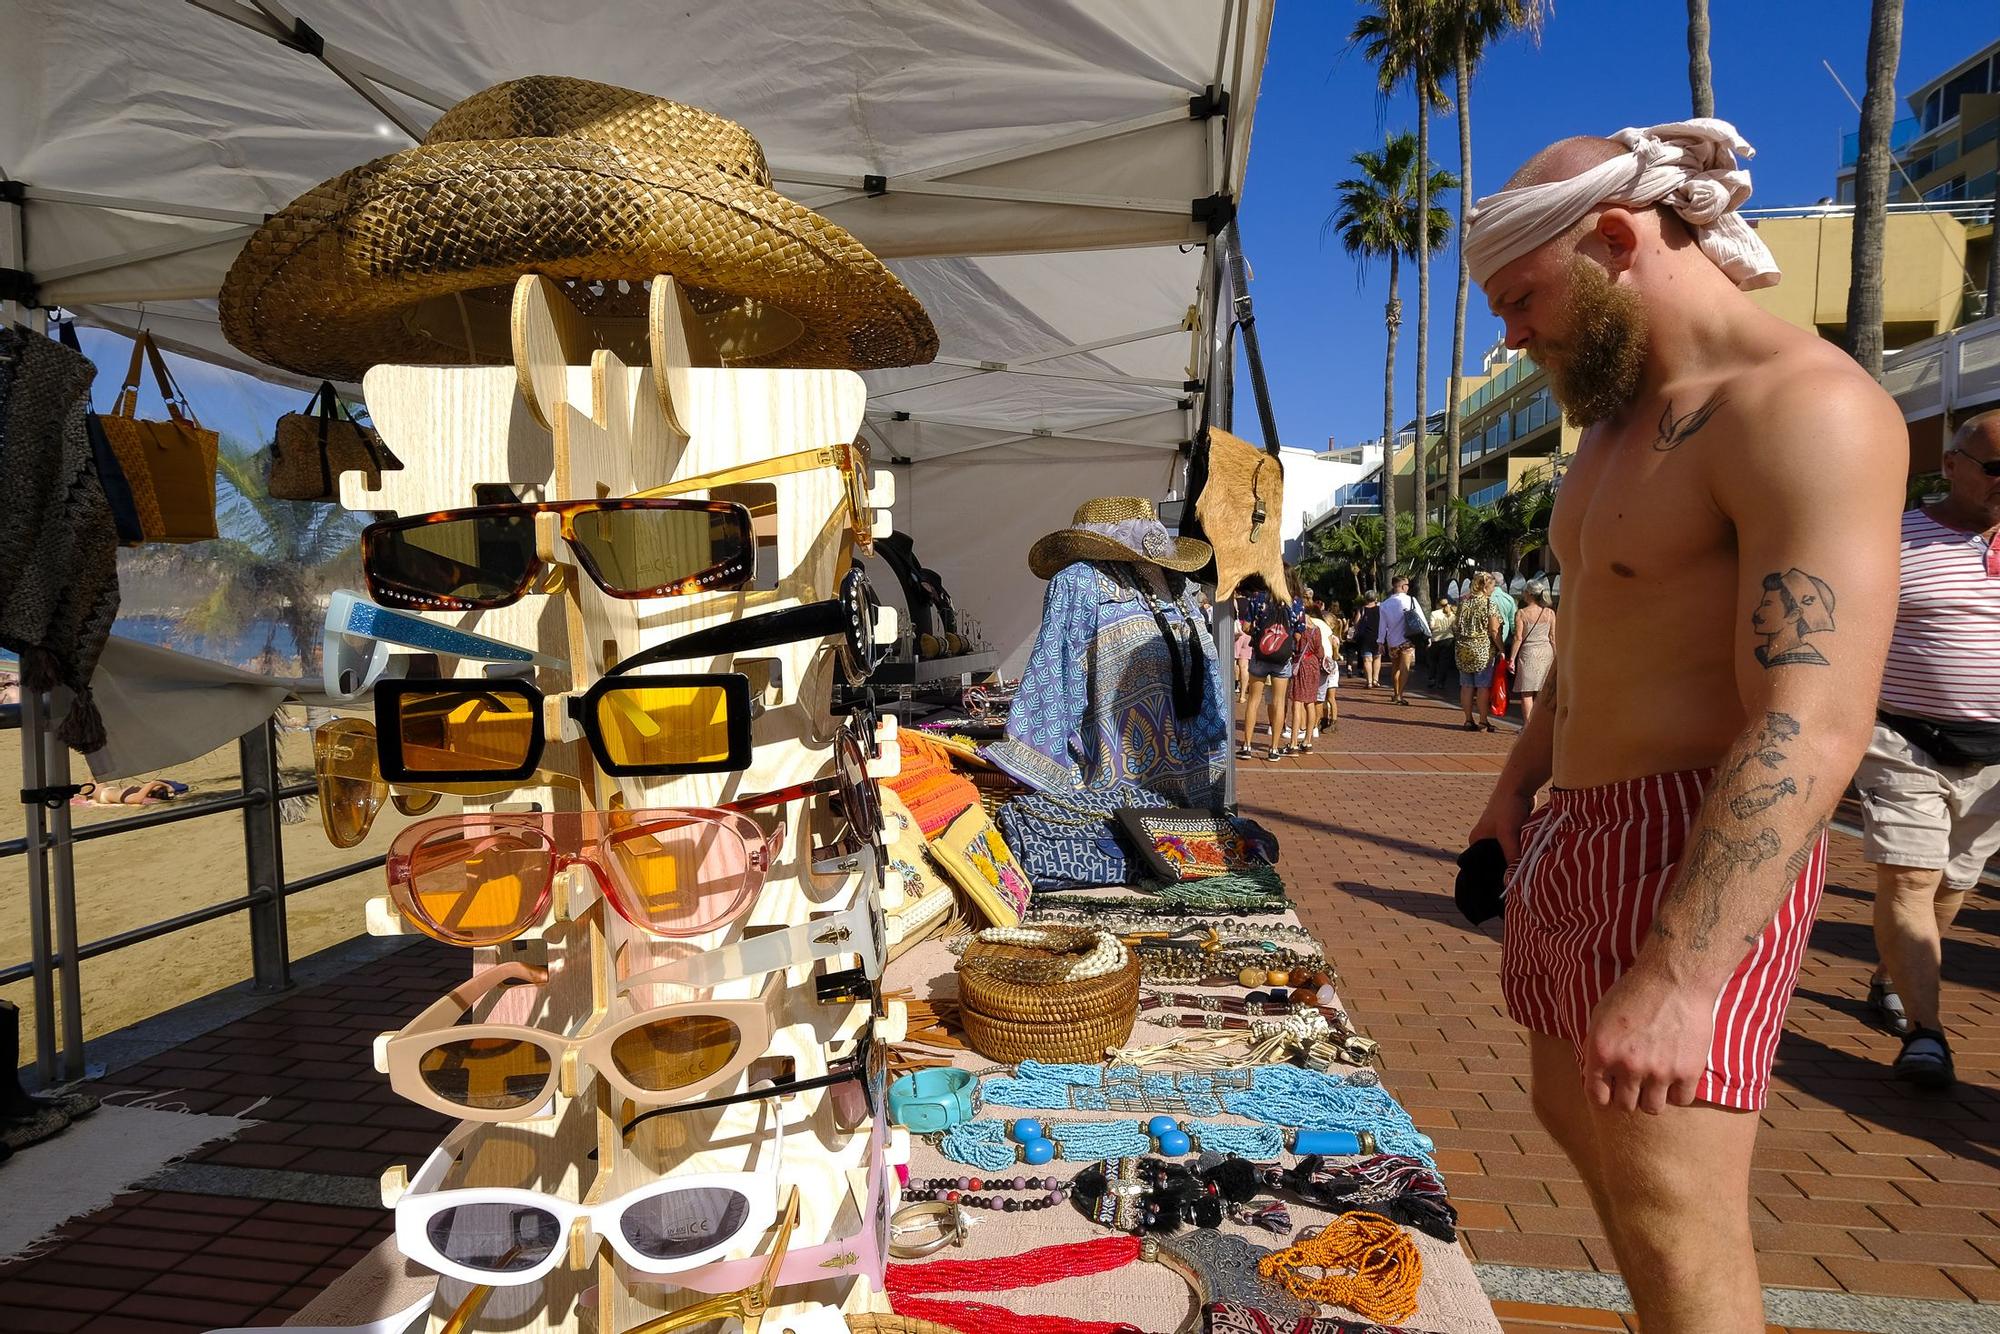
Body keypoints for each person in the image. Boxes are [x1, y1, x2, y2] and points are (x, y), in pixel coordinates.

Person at [1460, 124, 1903, 1334]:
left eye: (1520, 298)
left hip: (1694, 838)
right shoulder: (1610, 429)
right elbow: (1593, 637)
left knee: (1674, 1210)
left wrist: (1681, 973)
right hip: (1577, 826)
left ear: (1613, 239)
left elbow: (1809, 724)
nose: (1511, 334)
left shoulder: (1802, 407)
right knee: (1579, 1125)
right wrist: (1515, 786)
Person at [1860, 409, 2000, 1087]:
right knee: (1911, 877)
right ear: (1952, 465)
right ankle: (1927, 1033)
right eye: (1997, 469)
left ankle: (1893, 971)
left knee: (1952, 883)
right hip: (1905, 738)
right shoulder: (1897, 536)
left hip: (1995, 759)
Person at [1238, 570, 1307, 761]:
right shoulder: (1296, 603)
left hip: (1260, 655)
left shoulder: (1258, 598)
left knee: (1253, 700)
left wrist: (1261, 635)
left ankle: (1247, 745)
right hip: (1282, 658)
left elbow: (1245, 627)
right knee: (1278, 703)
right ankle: (1274, 748)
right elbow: (1299, 633)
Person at [1454, 573, 1502, 732]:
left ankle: (1468, 719)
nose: (1493, 590)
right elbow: (1494, 630)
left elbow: (1455, 626)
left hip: (1463, 648)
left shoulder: (1464, 602)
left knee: (1466, 685)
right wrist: (1502, 649)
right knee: (1482, 686)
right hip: (1482, 649)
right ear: (1485, 586)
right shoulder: (1489, 604)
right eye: (1492, 586)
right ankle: (1483, 720)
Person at [1509, 580, 1558, 724]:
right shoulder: (1550, 613)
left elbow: (1518, 638)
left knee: (1527, 692)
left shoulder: (1522, 613)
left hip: (1528, 653)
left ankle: (1528, 726)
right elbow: (1553, 637)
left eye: (1524, 591)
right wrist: (1556, 657)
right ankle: (1541, 725)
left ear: (1529, 594)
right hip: (1546, 652)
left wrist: (1512, 658)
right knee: (1543, 691)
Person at [1287, 599, 1328, 755]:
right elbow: (1320, 652)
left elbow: (1294, 646)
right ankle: (1308, 741)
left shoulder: (1298, 629)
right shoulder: (1315, 629)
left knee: (1297, 703)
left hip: (1301, 663)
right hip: (1313, 665)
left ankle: (1293, 743)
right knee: (1310, 702)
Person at [1378, 575, 1422, 705]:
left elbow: (1382, 624)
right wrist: (1428, 636)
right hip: (1407, 639)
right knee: (1405, 668)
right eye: (1407, 585)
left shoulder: (1385, 604)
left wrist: (1380, 641)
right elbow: (1420, 618)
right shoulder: (1411, 600)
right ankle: (1400, 695)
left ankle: (1395, 692)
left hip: (1392, 640)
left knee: (1395, 667)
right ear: (1403, 586)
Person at [1352, 591, 1382, 689]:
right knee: (1377, 657)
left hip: (1365, 637)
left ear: (1365, 599)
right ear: (1375, 599)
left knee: (1367, 659)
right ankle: (1375, 679)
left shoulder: (1362, 610)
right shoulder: (1380, 609)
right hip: (1378, 636)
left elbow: (1356, 623)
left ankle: (1368, 681)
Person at [1428, 597, 1457, 690]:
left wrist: (1437, 627)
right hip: (1449, 639)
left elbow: (1431, 627)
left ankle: (1432, 678)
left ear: (1438, 604)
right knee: (1444, 662)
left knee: (1433, 660)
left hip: (1436, 639)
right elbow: (1455, 628)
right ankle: (1441, 682)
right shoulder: (1452, 614)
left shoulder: (1434, 613)